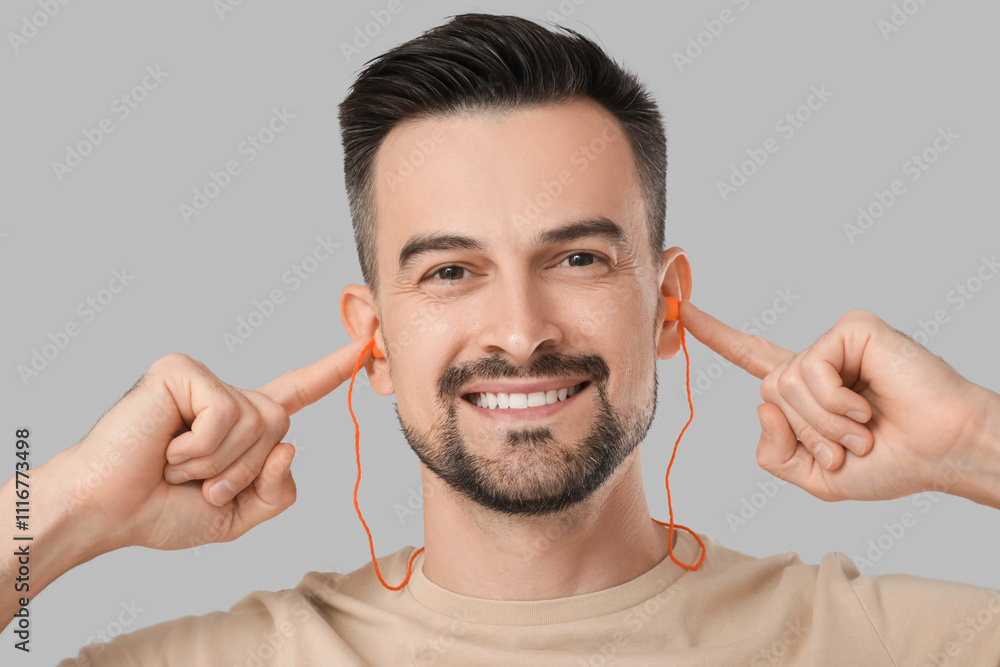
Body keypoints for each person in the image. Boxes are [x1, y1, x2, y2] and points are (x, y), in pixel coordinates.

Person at [2, 12, 998, 665]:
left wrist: (970, 444)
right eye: (449, 271)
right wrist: (69, 507)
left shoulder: (897, 645)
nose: (520, 333)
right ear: (377, 339)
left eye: (577, 259)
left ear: (664, 305)